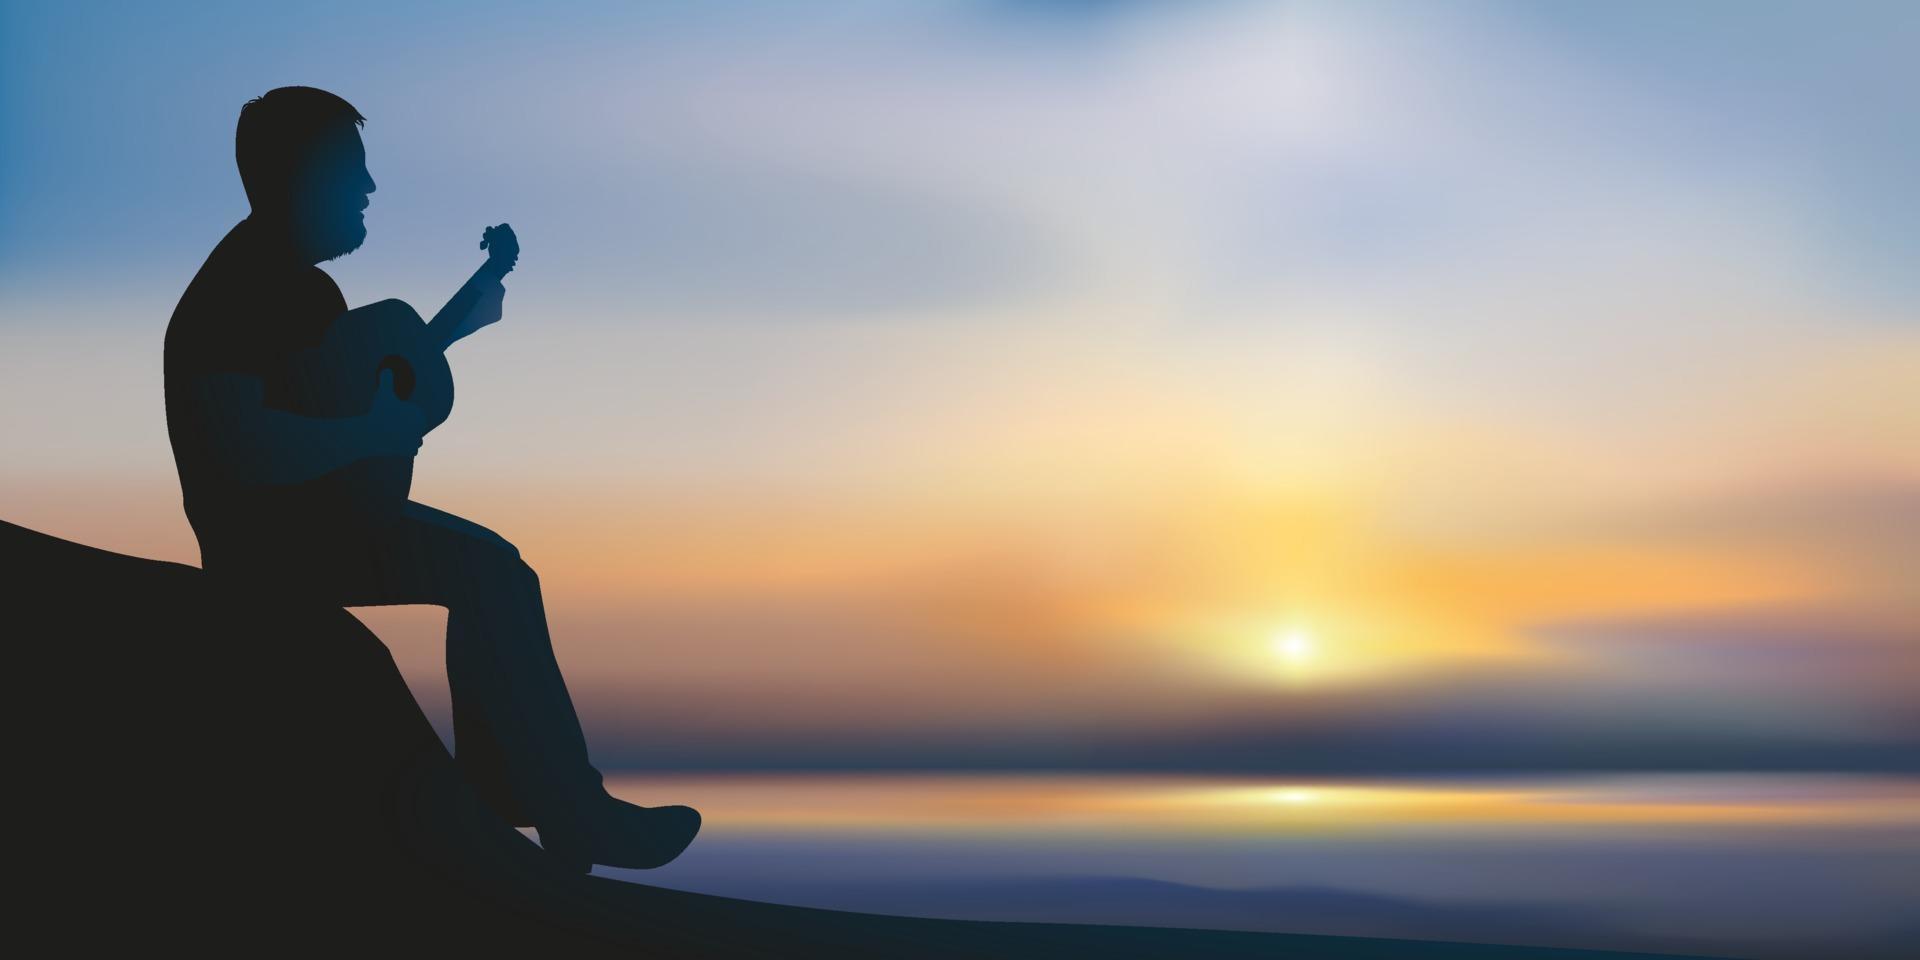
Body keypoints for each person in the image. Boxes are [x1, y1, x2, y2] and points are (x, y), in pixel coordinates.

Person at [161, 85, 699, 874]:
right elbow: (239, 449)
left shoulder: (308, 290)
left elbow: (341, 389)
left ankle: (516, 796)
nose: (371, 188)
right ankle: (560, 811)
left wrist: (461, 317)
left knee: (496, 574)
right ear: (301, 175)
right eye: (354, 169)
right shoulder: (233, 290)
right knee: (492, 575)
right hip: (274, 548)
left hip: (325, 524)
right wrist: (369, 435)